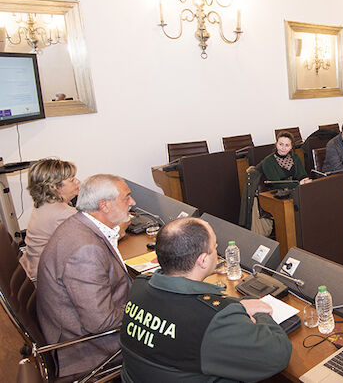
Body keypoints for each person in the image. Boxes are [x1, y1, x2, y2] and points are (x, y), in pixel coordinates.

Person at [119, 217, 291, 382]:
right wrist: (262, 313)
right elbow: (277, 355)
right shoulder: (212, 319)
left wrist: (236, 306)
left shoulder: (139, 285)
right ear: (203, 260)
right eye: (215, 247)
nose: (217, 252)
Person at [36, 174, 135, 377]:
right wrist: (145, 310)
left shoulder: (79, 225)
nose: (132, 202)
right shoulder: (85, 250)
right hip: (91, 348)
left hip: (80, 327)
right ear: (104, 205)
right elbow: (101, 322)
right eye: (126, 197)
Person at [20, 159, 80, 282]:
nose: (78, 181)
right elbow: (93, 243)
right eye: (72, 180)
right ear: (55, 186)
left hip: (32, 269)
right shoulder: (63, 213)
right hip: (47, 280)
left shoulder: (43, 204)